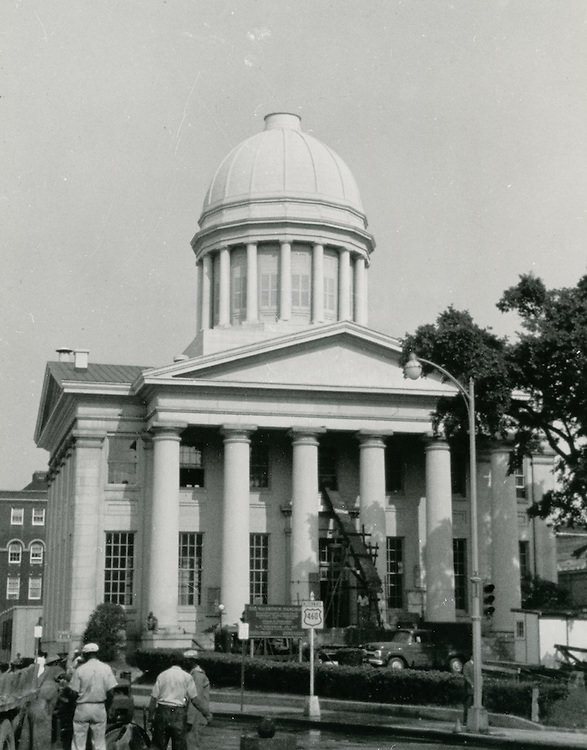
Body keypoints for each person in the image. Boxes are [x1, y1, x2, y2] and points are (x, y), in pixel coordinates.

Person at [148, 653, 208, 750]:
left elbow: (153, 699)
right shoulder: (187, 677)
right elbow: (195, 700)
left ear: (170, 662)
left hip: (162, 711)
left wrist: (150, 718)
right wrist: (206, 713)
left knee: (158, 745)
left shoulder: (162, 675)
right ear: (183, 663)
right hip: (179, 714)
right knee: (179, 745)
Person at [68, 642, 118, 750]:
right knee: (99, 742)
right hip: (99, 706)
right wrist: (107, 707)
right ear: (97, 653)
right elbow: (111, 692)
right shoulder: (106, 668)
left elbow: (73, 693)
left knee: (78, 742)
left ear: (85, 655)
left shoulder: (80, 670)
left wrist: (73, 706)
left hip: (82, 707)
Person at [182, 650, 212, 750]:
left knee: (192, 744)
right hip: (196, 714)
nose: (184, 663)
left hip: (196, 716)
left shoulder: (197, 676)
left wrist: (189, 720)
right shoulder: (193, 674)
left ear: (192, 661)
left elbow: (195, 699)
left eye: (186, 661)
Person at [462, 656, 475, 725]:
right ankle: (465, 721)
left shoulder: (476, 665)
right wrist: (471, 683)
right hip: (469, 689)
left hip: (476, 690)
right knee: (468, 705)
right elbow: (466, 676)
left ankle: (472, 720)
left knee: (473, 705)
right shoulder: (467, 665)